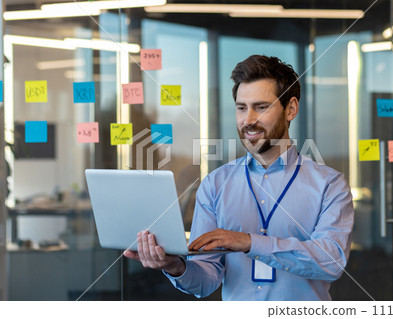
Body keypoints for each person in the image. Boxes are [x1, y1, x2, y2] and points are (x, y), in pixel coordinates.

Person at [124, 55, 354, 301]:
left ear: (291, 109)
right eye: (241, 107)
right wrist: (174, 266)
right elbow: (205, 281)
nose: (248, 120)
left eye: (261, 107)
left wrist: (249, 242)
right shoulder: (215, 184)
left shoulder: (329, 185)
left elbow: (331, 262)